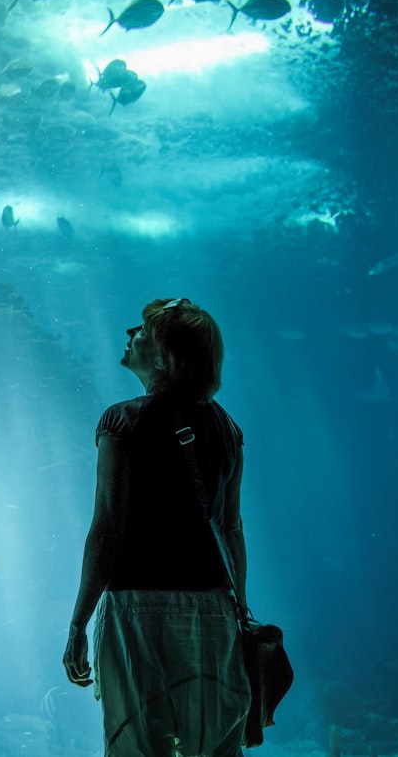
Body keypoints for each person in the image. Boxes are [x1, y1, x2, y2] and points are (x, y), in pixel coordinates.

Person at [62, 298, 250, 757]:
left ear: (166, 354)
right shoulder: (228, 428)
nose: (131, 331)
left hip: (138, 611)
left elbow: (106, 530)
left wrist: (78, 624)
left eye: (143, 329)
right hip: (214, 612)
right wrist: (240, 611)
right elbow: (231, 529)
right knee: (216, 748)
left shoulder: (122, 421)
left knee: (139, 745)